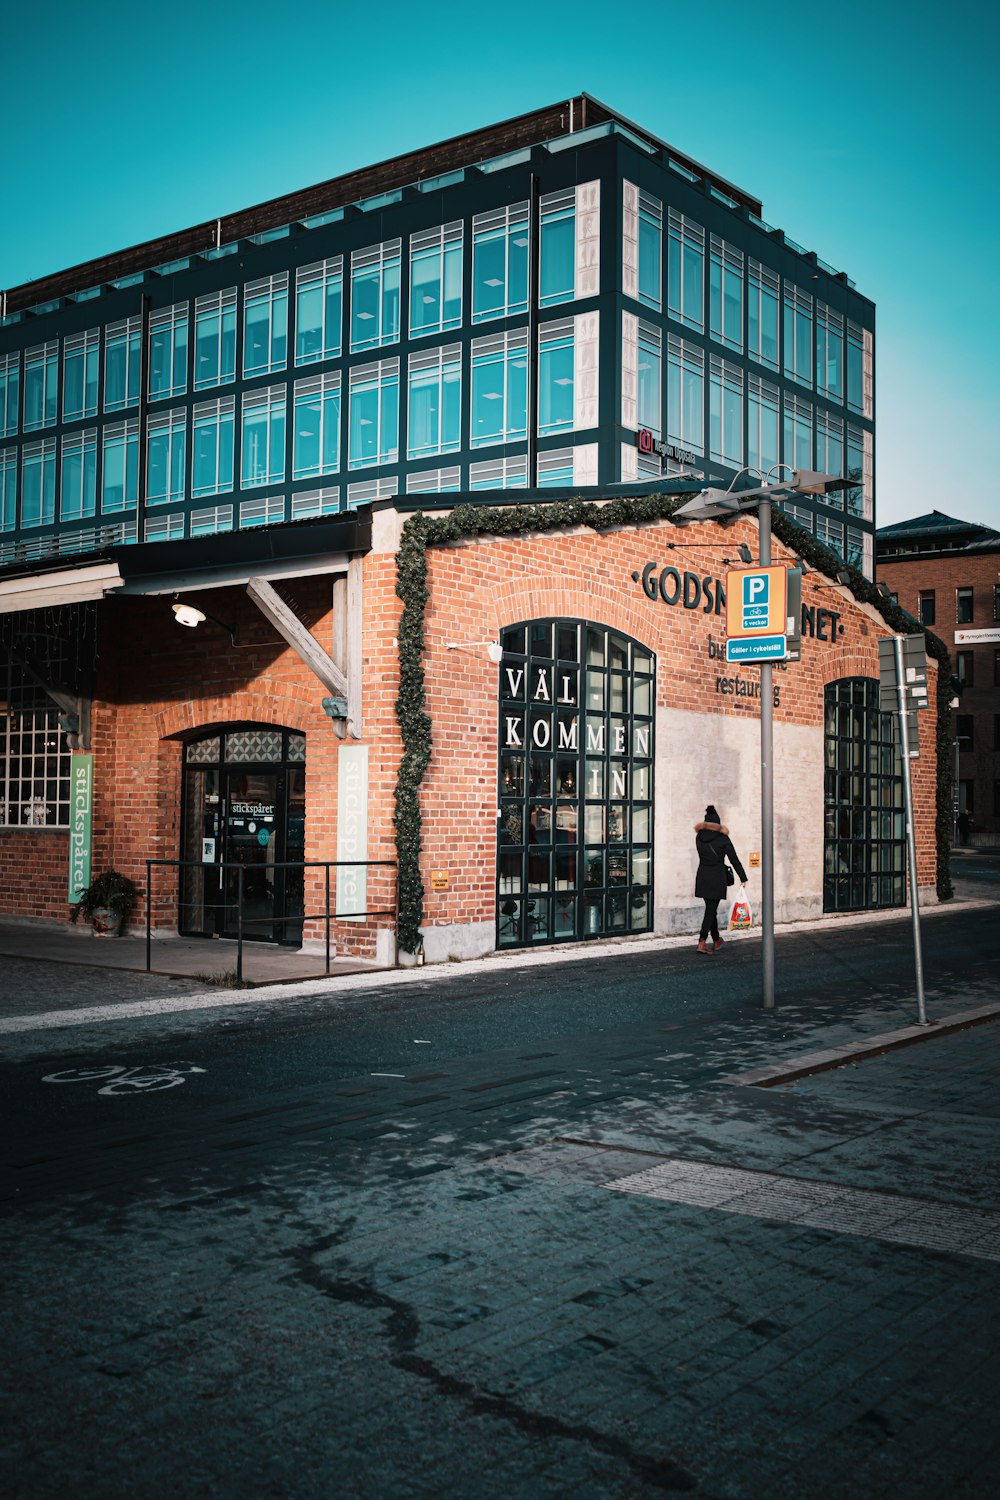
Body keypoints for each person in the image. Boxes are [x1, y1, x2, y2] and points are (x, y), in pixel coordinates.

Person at [694, 805, 747, 954]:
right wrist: (743, 878)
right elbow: (734, 859)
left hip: (703, 877)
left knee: (711, 910)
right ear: (718, 823)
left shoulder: (699, 837)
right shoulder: (723, 839)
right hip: (717, 878)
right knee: (710, 911)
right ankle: (702, 942)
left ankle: (716, 940)